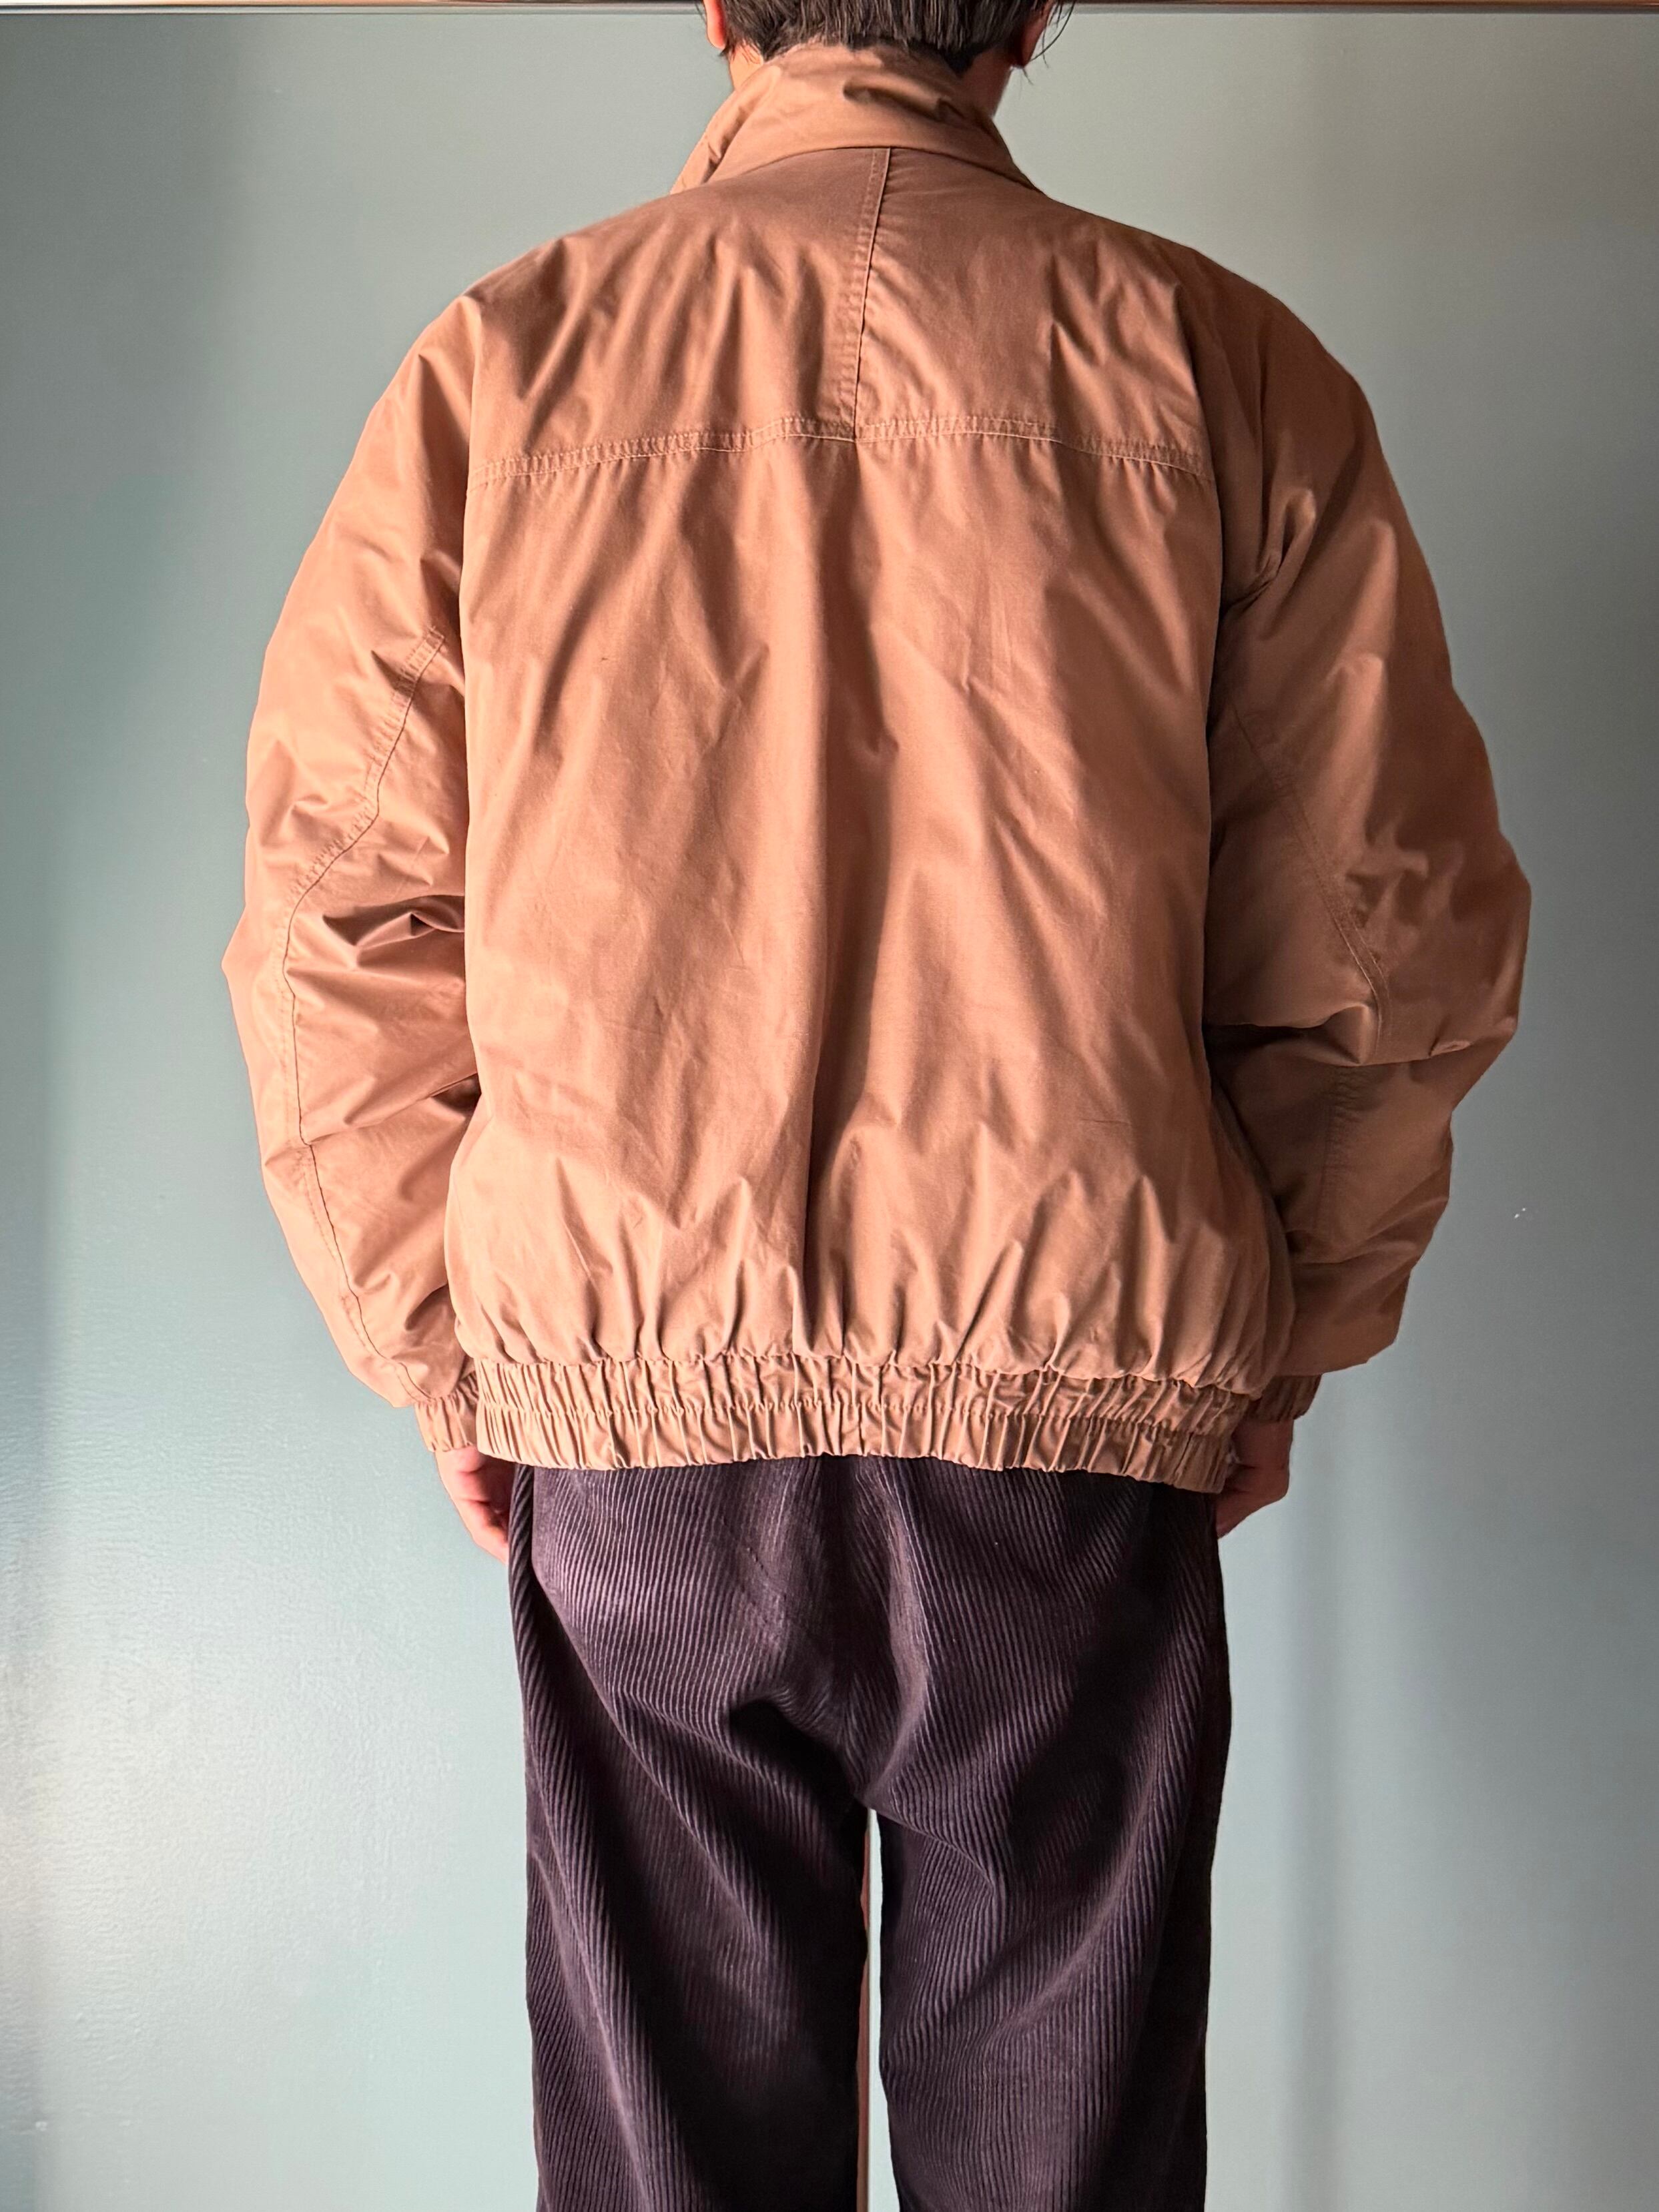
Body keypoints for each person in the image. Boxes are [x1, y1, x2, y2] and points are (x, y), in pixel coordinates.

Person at [220, 3, 1530, 2205]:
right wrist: (1277, 1337)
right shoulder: (1224, 372)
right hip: (1066, 1448)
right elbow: (1391, 944)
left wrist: (447, 1347)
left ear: (721, 7)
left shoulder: (505, 367)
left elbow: (333, 918)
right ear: (1030, 13)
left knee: (671, 2166)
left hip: (640, 1446)